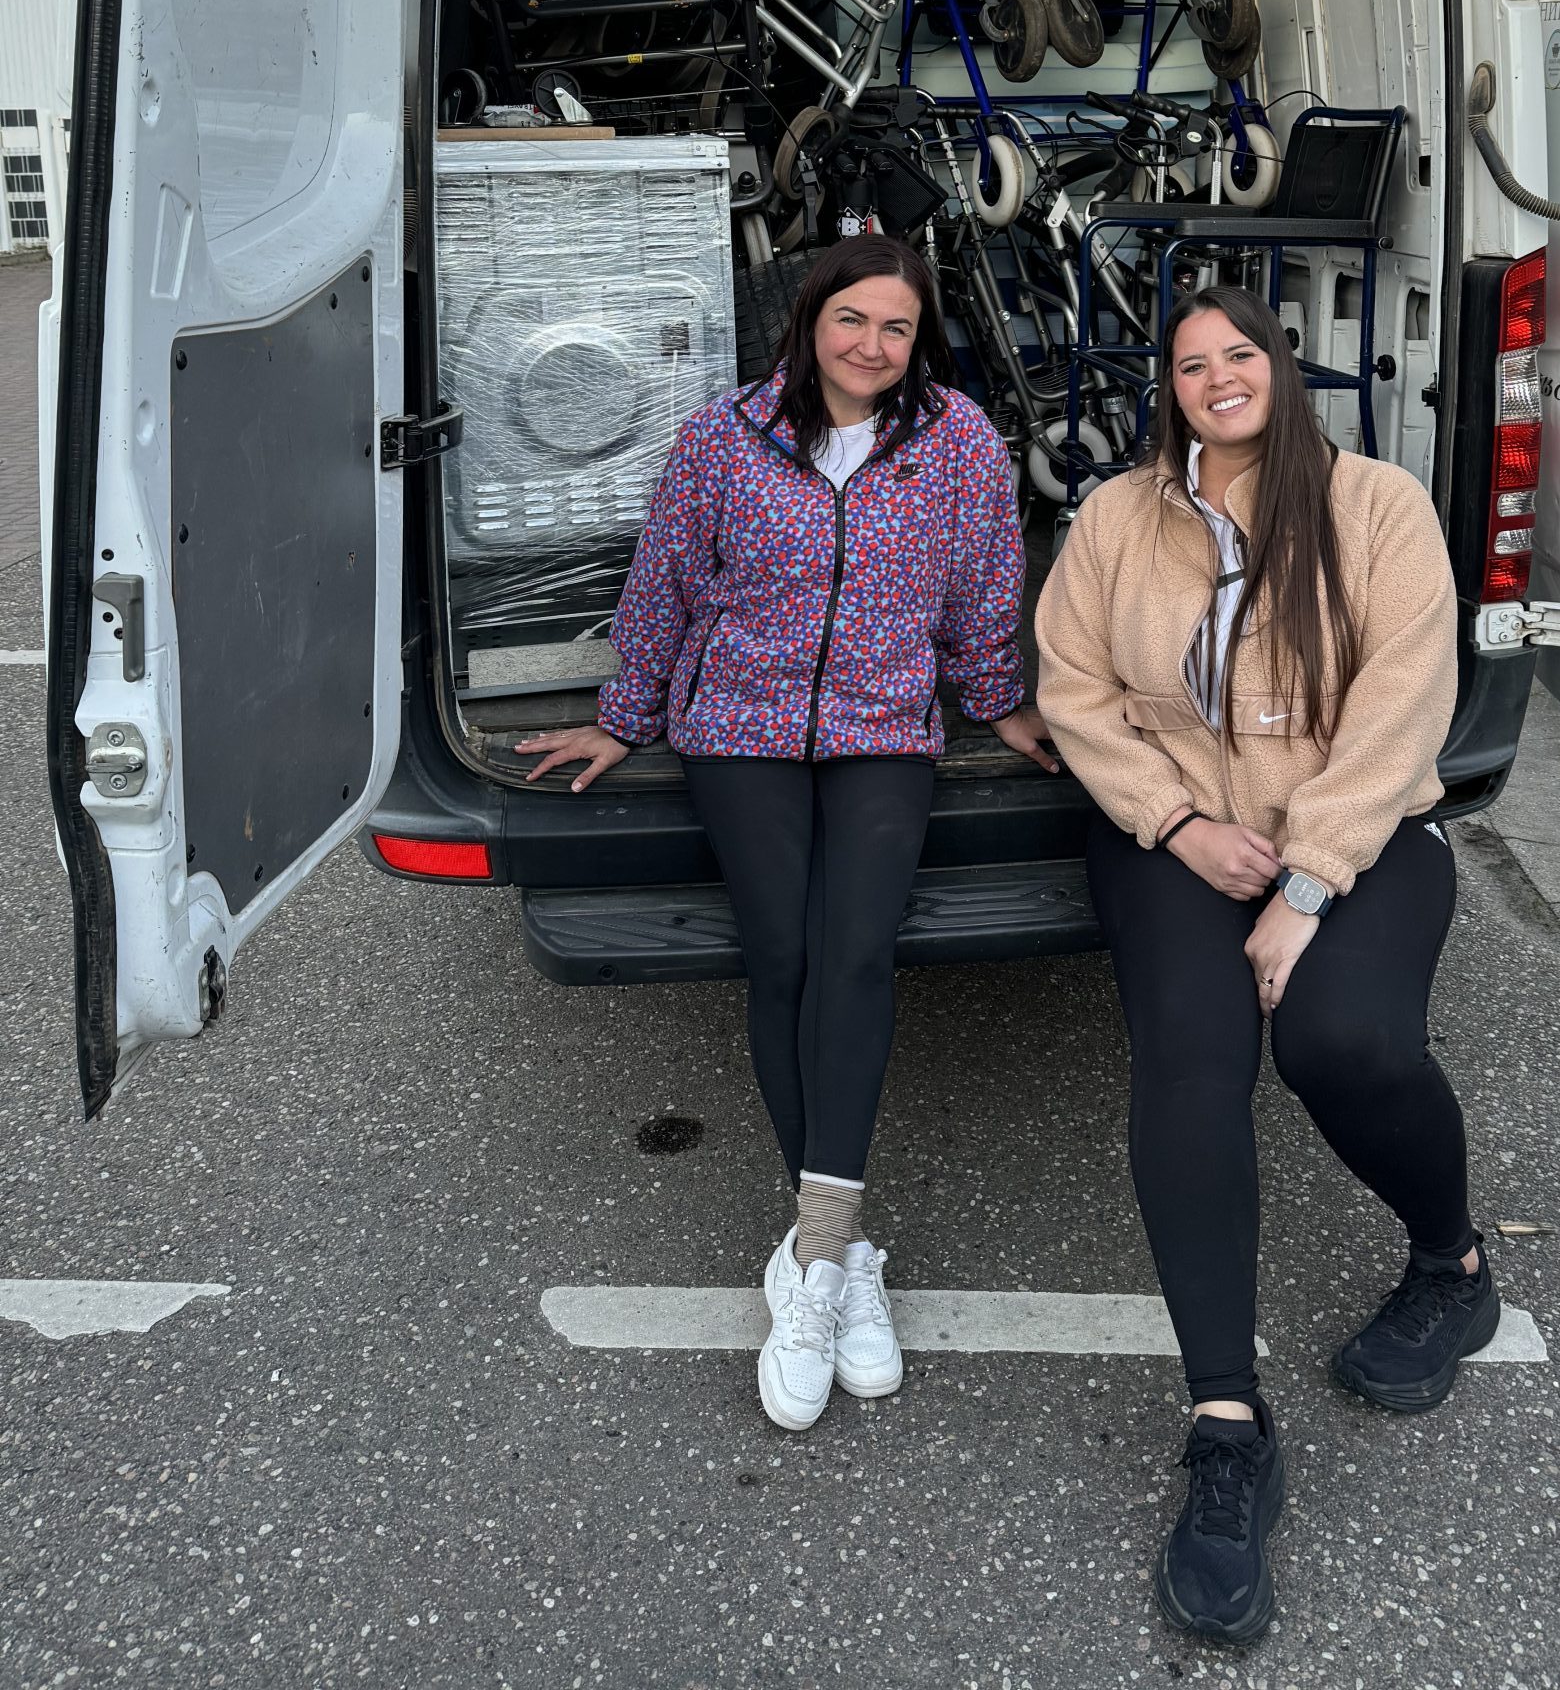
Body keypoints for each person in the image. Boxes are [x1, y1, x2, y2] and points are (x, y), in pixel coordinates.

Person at [517, 233, 1056, 1433]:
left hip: (881, 724)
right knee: (788, 959)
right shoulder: (724, 441)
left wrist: (1001, 699)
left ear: (922, 341)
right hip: (741, 724)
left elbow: (981, 584)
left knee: (859, 952)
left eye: (897, 328)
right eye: (852, 320)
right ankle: (832, 1257)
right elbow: (662, 582)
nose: (872, 345)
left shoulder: (959, 441)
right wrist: (623, 719)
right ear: (810, 320)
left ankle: (819, 1256)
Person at [1035, 284, 1498, 1648]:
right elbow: (1073, 688)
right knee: (1193, 1060)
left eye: (1241, 354)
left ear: (1280, 370)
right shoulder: (1120, 519)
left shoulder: (1376, 505)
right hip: (1173, 838)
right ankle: (1227, 1427)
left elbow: (1404, 704)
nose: (1219, 377)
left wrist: (1303, 881)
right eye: (1191, 364)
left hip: (1353, 831)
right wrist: (1176, 823)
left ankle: (1455, 1267)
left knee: (1340, 1043)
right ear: (1166, 390)